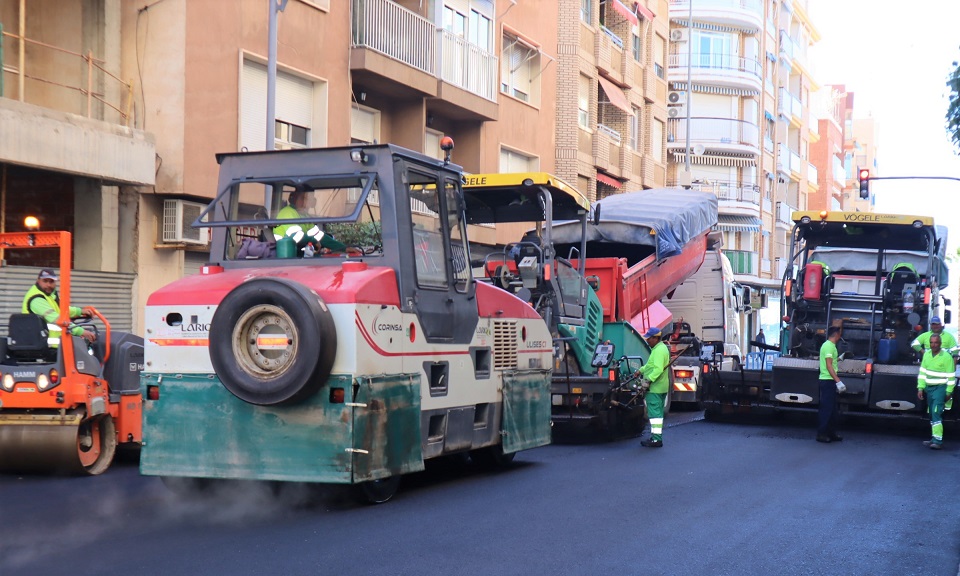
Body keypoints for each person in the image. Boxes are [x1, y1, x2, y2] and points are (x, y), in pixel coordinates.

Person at [22, 268, 96, 346]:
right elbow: (56, 319)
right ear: (38, 280)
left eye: (51, 281)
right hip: (46, 345)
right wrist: (81, 331)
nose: (48, 285)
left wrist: (80, 311)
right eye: (45, 281)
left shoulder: (50, 295)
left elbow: (62, 310)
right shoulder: (36, 299)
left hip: (56, 344)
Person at [273, 190, 346, 254]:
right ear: (294, 199)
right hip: (286, 254)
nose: (305, 202)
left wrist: (343, 248)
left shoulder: (303, 214)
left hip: (299, 251)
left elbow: (319, 235)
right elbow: (297, 236)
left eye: (307, 199)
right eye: (302, 198)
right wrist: (314, 241)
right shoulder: (287, 213)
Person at [917, 334, 956, 450]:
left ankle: (938, 441)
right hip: (929, 389)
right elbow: (922, 373)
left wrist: (948, 392)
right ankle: (934, 438)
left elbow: (951, 376)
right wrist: (920, 388)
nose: (933, 345)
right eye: (931, 342)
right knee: (931, 413)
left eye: (936, 343)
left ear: (940, 343)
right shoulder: (927, 355)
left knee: (936, 412)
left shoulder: (946, 357)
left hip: (940, 388)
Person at [639, 327, 670, 448]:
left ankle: (656, 440)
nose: (647, 341)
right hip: (661, 387)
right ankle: (656, 437)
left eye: (649, 338)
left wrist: (648, 380)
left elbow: (657, 369)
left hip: (655, 388)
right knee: (658, 413)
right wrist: (640, 370)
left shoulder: (658, 351)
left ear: (656, 338)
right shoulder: (660, 348)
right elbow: (650, 365)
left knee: (655, 415)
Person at [816, 326, 845, 443]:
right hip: (827, 380)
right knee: (827, 409)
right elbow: (828, 366)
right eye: (840, 334)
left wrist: (839, 359)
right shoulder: (828, 346)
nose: (840, 336)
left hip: (829, 381)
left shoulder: (830, 346)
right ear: (836, 334)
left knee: (833, 410)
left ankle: (831, 433)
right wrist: (838, 381)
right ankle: (821, 434)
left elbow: (831, 362)